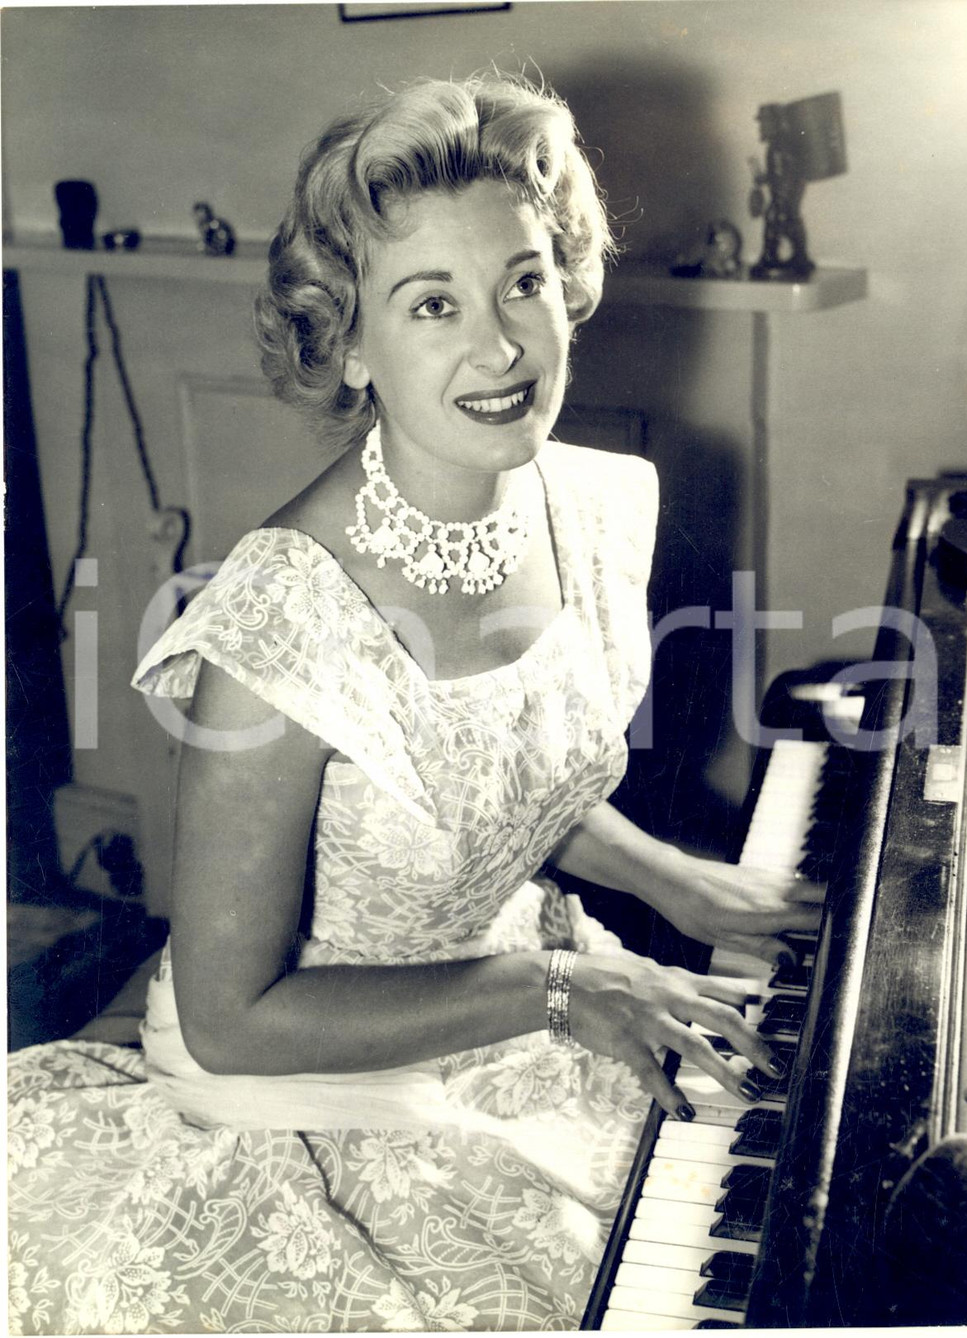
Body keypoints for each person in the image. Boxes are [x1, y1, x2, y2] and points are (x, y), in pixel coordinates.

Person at [7, 73, 821, 1333]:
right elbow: (233, 1020)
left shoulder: (586, 510)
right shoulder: (280, 630)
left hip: (516, 1009)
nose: (498, 348)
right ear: (346, 343)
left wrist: (670, 879)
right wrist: (553, 989)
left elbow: (493, 779)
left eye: (523, 282)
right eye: (431, 303)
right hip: (310, 1087)